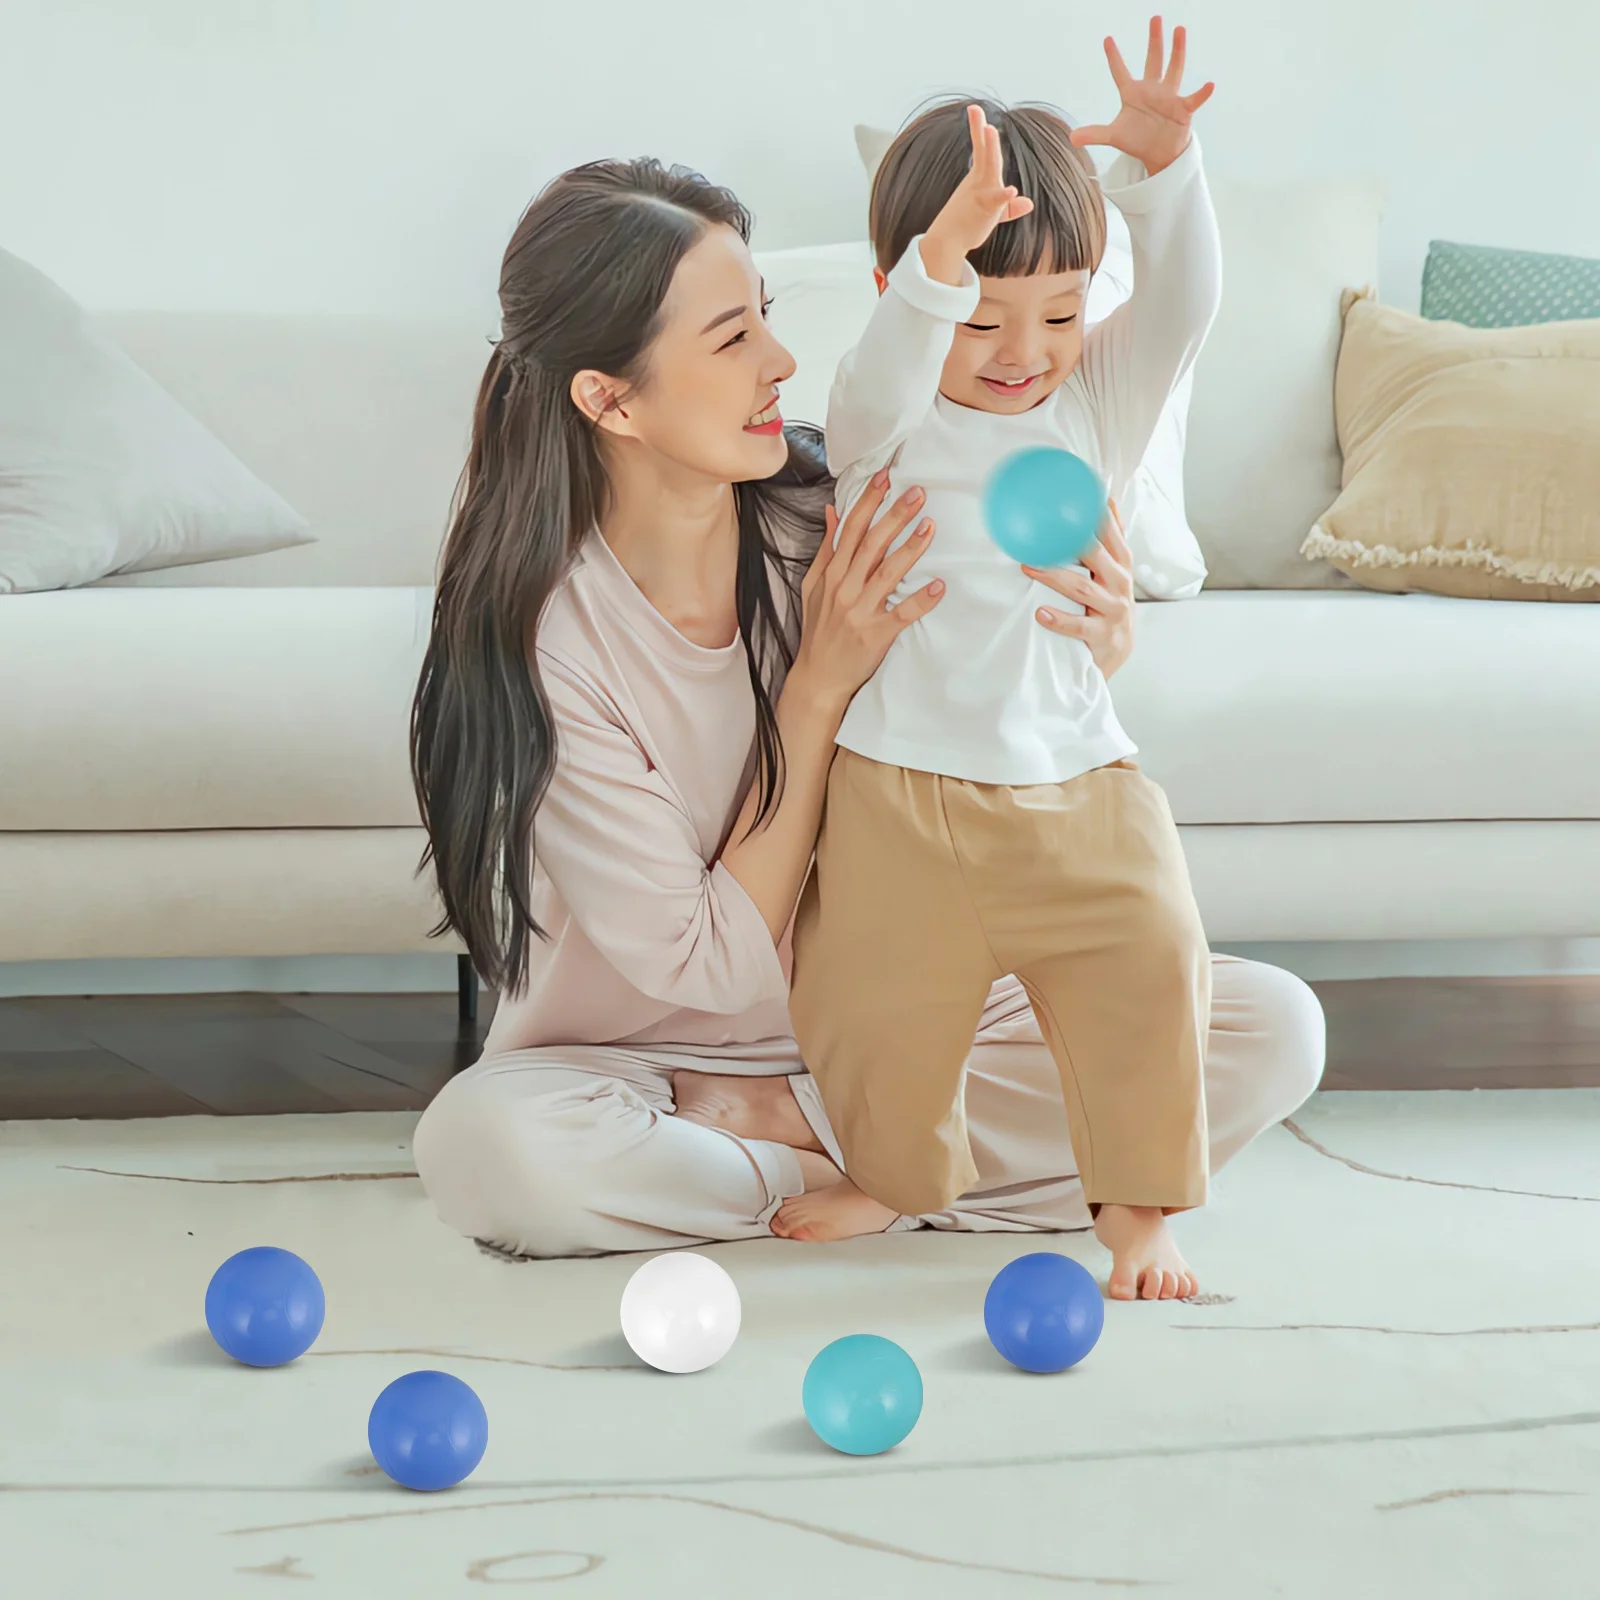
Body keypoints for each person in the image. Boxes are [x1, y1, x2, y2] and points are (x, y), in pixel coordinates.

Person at [408, 146, 1325, 1297]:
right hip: (648, 1062)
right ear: (609, 397)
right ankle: (880, 1159)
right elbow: (706, 960)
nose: (782, 363)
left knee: (1270, 1027)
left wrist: (1097, 640)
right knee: (489, 1152)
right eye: (732, 338)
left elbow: (1004, 704)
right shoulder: (552, 639)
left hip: (916, 1006)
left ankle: (823, 1146)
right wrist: (817, 683)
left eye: (768, 319)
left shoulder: (853, 518)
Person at [790, 20, 1222, 1298]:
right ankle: (893, 1177)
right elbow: (881, 367)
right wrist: (937, 260)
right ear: (910, 296)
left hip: (1080, 783)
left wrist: (1164, 171)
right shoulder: (885, 419)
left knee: (1154, 960)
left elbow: (1185, 307)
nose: (1022, 347)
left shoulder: (1093, 407)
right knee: (873, 1009)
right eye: (982, 316)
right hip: (898, 790)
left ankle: (1137, 1211)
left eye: (1056, 309)